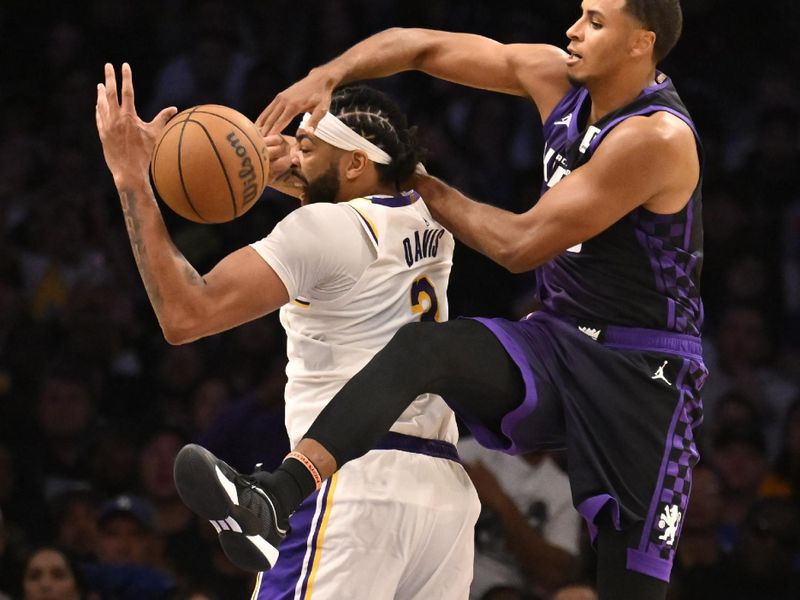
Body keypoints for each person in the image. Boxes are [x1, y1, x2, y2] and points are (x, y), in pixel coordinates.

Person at [178, 1, 705, 599]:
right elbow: (419, 46)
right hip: (561, 337)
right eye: (580, 13)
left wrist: (415, 182)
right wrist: (330, 74)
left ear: (641, 43)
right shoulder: (552, 74)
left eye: (596, 21)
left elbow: (518, 244)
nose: (573, 29)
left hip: (644, 373)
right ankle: (276, 496)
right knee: (427, 349)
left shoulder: (654, 137)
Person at [95, 64, 479, 599]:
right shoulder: (433, 218)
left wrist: (132, 176)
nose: (291, 154)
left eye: (306, 146)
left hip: (350, 483)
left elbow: (185, 315)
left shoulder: (320, 229)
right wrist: (279, 174)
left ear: (353, 163)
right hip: (445, 500)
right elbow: (351, 219)